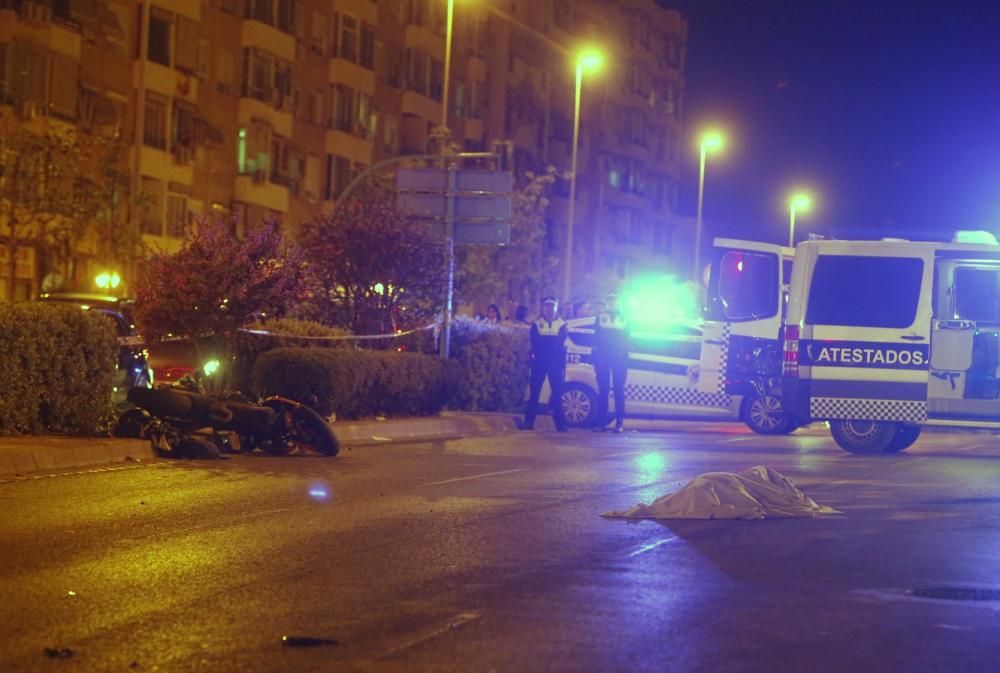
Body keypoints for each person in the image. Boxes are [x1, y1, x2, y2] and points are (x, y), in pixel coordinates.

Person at [520, 296, 569, 432]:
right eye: (546, 306)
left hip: (554, 363)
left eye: (551, 306)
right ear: (543, 307)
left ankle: (560, 424)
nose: (549, 308)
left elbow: (561, 342)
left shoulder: (562, 324)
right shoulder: (536, 323)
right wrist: (547, 347)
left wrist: (548, 346)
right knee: (534, 392)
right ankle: (529, 422)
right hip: (540, 362)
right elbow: (534, 341)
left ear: (555, 307)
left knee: (557, 393)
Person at [592, 292, 629, 433]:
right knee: (603, 390)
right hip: (603, 358)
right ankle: (601, 422)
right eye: (610, 300)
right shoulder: (600, 317)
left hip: (619, 359)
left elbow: (628, 339)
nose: (612, 303)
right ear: (607, 302)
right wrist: (597, 357)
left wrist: (624, 355)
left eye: (614, 301)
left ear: (618, 302)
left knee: (619, 390)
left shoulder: (625, 318)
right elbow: (595, 338)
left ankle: (619, 422)